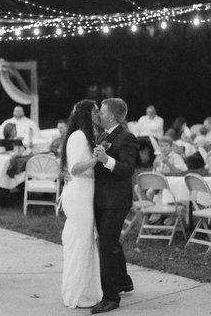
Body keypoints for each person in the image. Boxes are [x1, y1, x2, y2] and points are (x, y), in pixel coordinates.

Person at [92, 98, 139, 314]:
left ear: (111, 115)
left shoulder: (127, 137)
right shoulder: (103, 135)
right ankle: (123, 281)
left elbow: (128, 169)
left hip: (116, 200)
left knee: (106, 246)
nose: (98, 114)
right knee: (110, 242)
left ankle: (110, 297)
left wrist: (106, 160)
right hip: (103, 198)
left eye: (101, 110)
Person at [60, 100, 102, 309]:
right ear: (87, 113)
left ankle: (87, 291)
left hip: (87, 192)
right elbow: (75, 168)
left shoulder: (87, 135)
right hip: (79, 194)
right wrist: (97, 158)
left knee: (86, 241)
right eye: (96, 110)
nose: (99, 113)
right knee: (81, 242)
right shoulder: (78, 136)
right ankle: (76, 293)